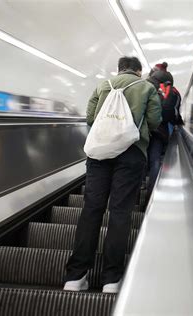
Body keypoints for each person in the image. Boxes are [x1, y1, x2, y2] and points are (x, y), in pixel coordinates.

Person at [63, 56, 162, 293]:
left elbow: (90, 118)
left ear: (119, 69)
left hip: (99, 154)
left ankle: (75, 277)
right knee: (120, 212)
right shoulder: (147, 87)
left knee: (91, 210)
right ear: (138, 71)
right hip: (131, 154)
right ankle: (111, 280)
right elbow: (154, 121)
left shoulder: (103, 85)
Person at [146, 62, 183, 200]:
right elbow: (175, 114)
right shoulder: (175, 91)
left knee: (140, 161)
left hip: (145, 130)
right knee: (155, 161)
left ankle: (134, 195)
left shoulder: (149, 87)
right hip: (161, 132)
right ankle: (150, 196)